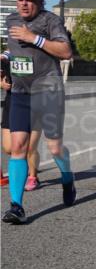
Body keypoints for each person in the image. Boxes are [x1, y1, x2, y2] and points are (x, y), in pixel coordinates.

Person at [2, 0, 75, 224]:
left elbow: (65, 52)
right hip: (21, 93)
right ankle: (16, 206)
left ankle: (67, 177)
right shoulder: (11, 20)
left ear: (40, 2)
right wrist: (6, 64)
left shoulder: (50, 20)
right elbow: (16, 54)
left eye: (29, 0)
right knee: (17, 147)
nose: (23, 3)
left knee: (54, 148)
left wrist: (34, 38)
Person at [1, 51, 41, 191]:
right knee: (8, 147)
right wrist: (1, 83)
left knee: (30, 147)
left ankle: (33, 176)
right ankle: (23, 166)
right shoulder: (10, 52)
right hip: (12, 101)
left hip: (35, 100)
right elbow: (3, 59)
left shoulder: (40, 51)